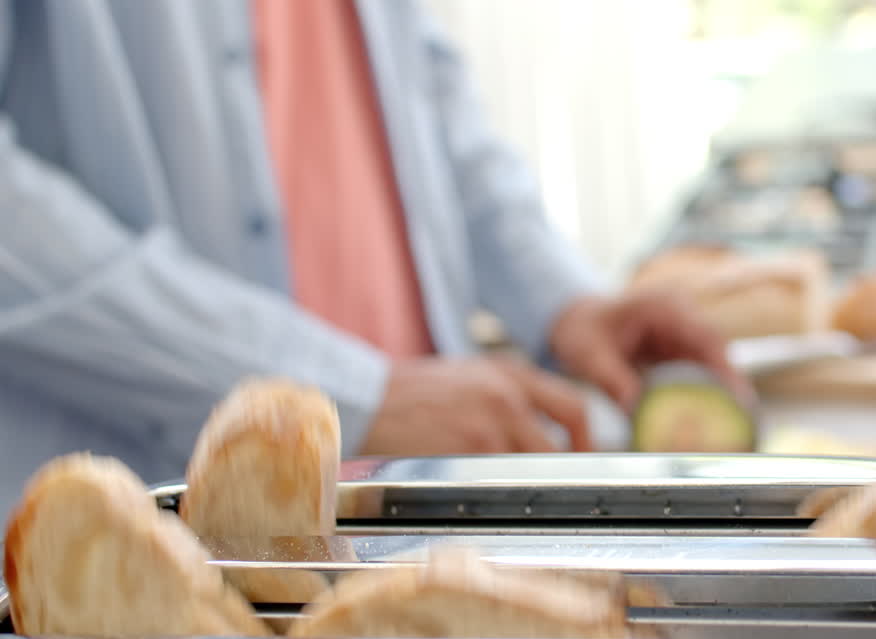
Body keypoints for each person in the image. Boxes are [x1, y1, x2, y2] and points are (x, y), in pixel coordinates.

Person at [0, 0, 744, 506]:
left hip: (410, 502)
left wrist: (562, 298)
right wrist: (343, 392)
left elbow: (428, 93)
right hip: (142, 544)